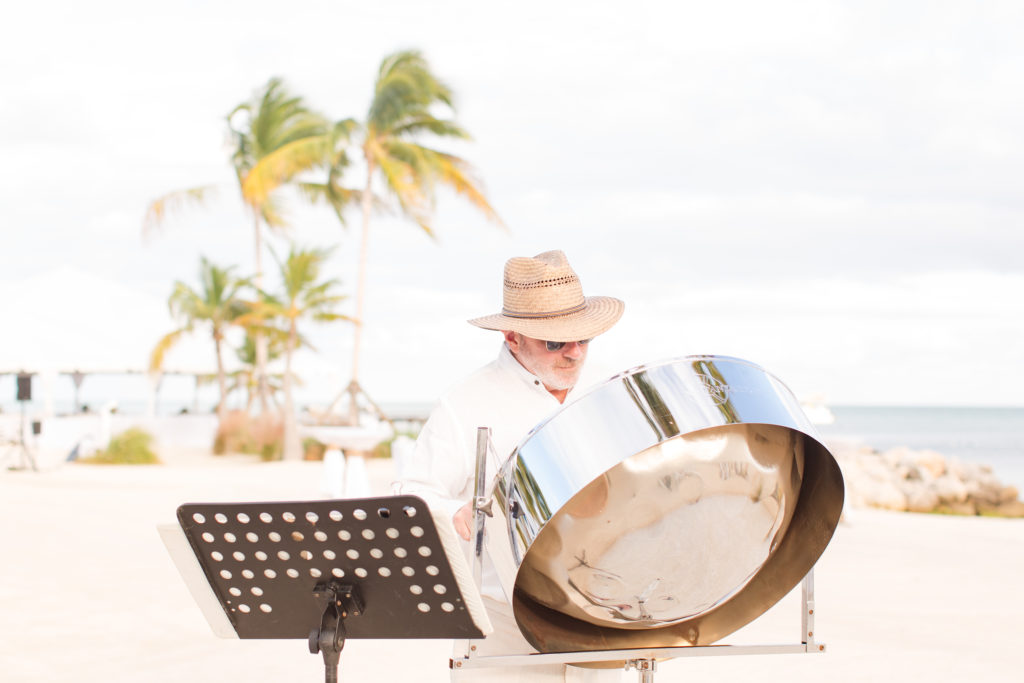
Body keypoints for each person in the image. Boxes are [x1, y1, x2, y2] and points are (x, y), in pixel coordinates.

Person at [395, 250, 625, 682]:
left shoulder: (609, 389)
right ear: (512, 337)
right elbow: (410, 496)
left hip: (601, 618)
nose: (575, 353)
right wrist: (455, 514)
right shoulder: (465, 402)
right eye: (555, 342)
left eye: (584, 339)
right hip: (502, 627)